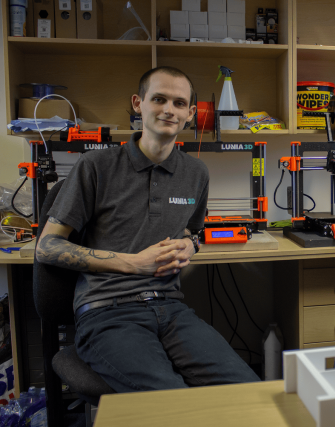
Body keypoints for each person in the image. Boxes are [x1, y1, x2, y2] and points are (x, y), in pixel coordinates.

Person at [35, 66, 259, 392]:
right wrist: (133, 263)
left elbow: (191, 233)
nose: (169, 109)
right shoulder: (96, 167)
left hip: (171, 308)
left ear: (190, 114)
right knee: (169, 402)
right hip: (107, 313)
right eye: (159, 99)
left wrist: (189, 247)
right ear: (138, 104)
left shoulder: (196, 173)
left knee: (247, 391)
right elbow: (47, 247)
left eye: (179, 103)